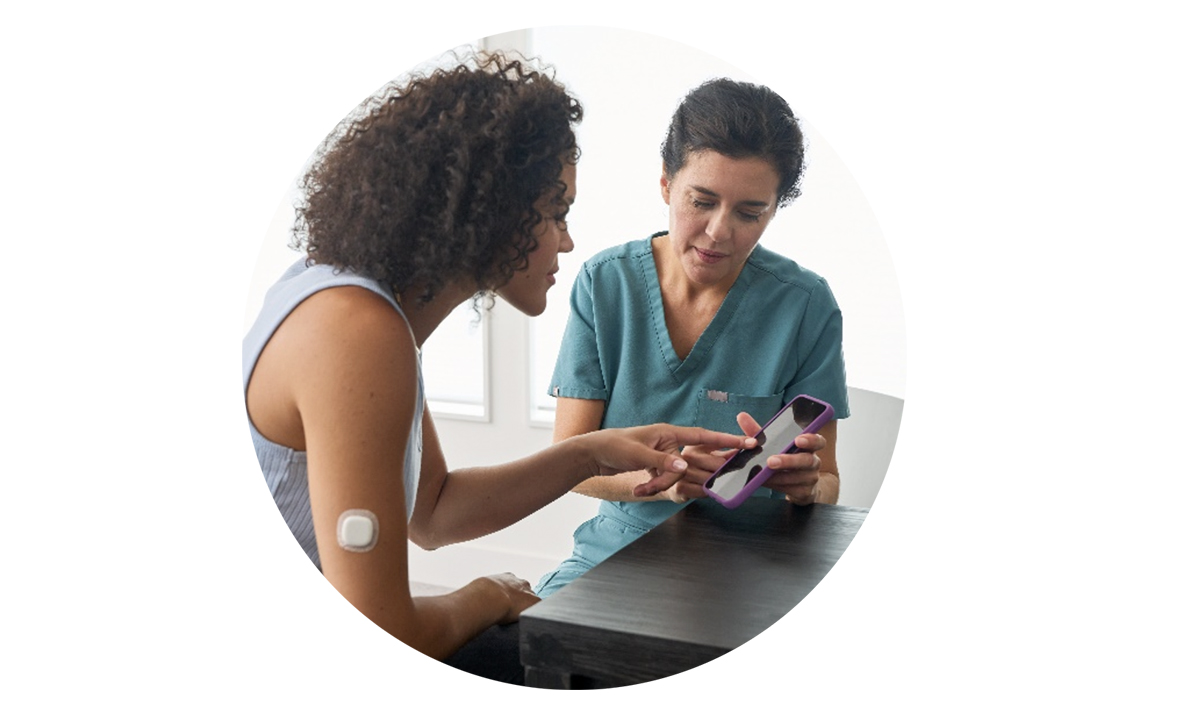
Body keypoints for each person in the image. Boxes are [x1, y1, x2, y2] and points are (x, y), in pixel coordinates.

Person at [241, 53, 756, 685]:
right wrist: (488, 594)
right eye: (557, 210)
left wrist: (592, 452)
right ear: (493, 209)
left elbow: (431, 513)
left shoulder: (368, 311)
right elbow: (379, 630)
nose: (567, 240)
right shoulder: (357, 332)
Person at [534, 78, 851, 598]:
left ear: (773, 211)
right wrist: (663, 482)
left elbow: (829, 482)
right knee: (531, 645)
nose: (719, 231)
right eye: (701, 201)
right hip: (618, 553)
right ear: (665, 184)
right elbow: (569, 466)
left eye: (750, 213)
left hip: (754, 567)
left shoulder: (805, 305)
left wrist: (807, 486)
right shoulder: (604, 284)